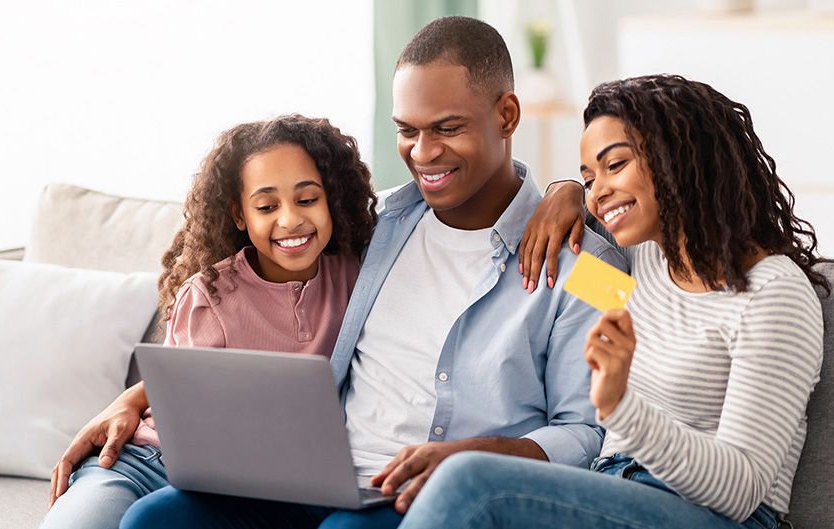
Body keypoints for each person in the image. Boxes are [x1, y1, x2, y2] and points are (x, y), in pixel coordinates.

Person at [120, 16, 624, 529]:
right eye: (408, 130)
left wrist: (475, 455)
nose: (423, 154)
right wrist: (134, 397)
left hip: (423, 501)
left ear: (507, 115)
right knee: (151, 521)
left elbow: (590, 432)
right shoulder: (378, 223)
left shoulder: (589, 267)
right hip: (313, 479)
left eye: (448, 128)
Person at [398, 74, 828, 529]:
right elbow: (550, 276)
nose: (598, 193)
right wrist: (563, 190)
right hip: (611, 493)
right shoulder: (635, 265)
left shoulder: (773, 295)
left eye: (615, 165)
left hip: (719, 518)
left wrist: (621, 406)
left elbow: (741, 490)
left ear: (679, 157)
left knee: (470, 481)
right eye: (589, 176)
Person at [40, 114, 378, 529]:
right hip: (150, 461)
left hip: (250, 492)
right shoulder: (210, 295)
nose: (290, 219)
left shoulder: (358, 277)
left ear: (333, 198)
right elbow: (179, 391)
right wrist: (131, 401)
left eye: (307, 199)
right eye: (267, 206)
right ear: (240, 215)